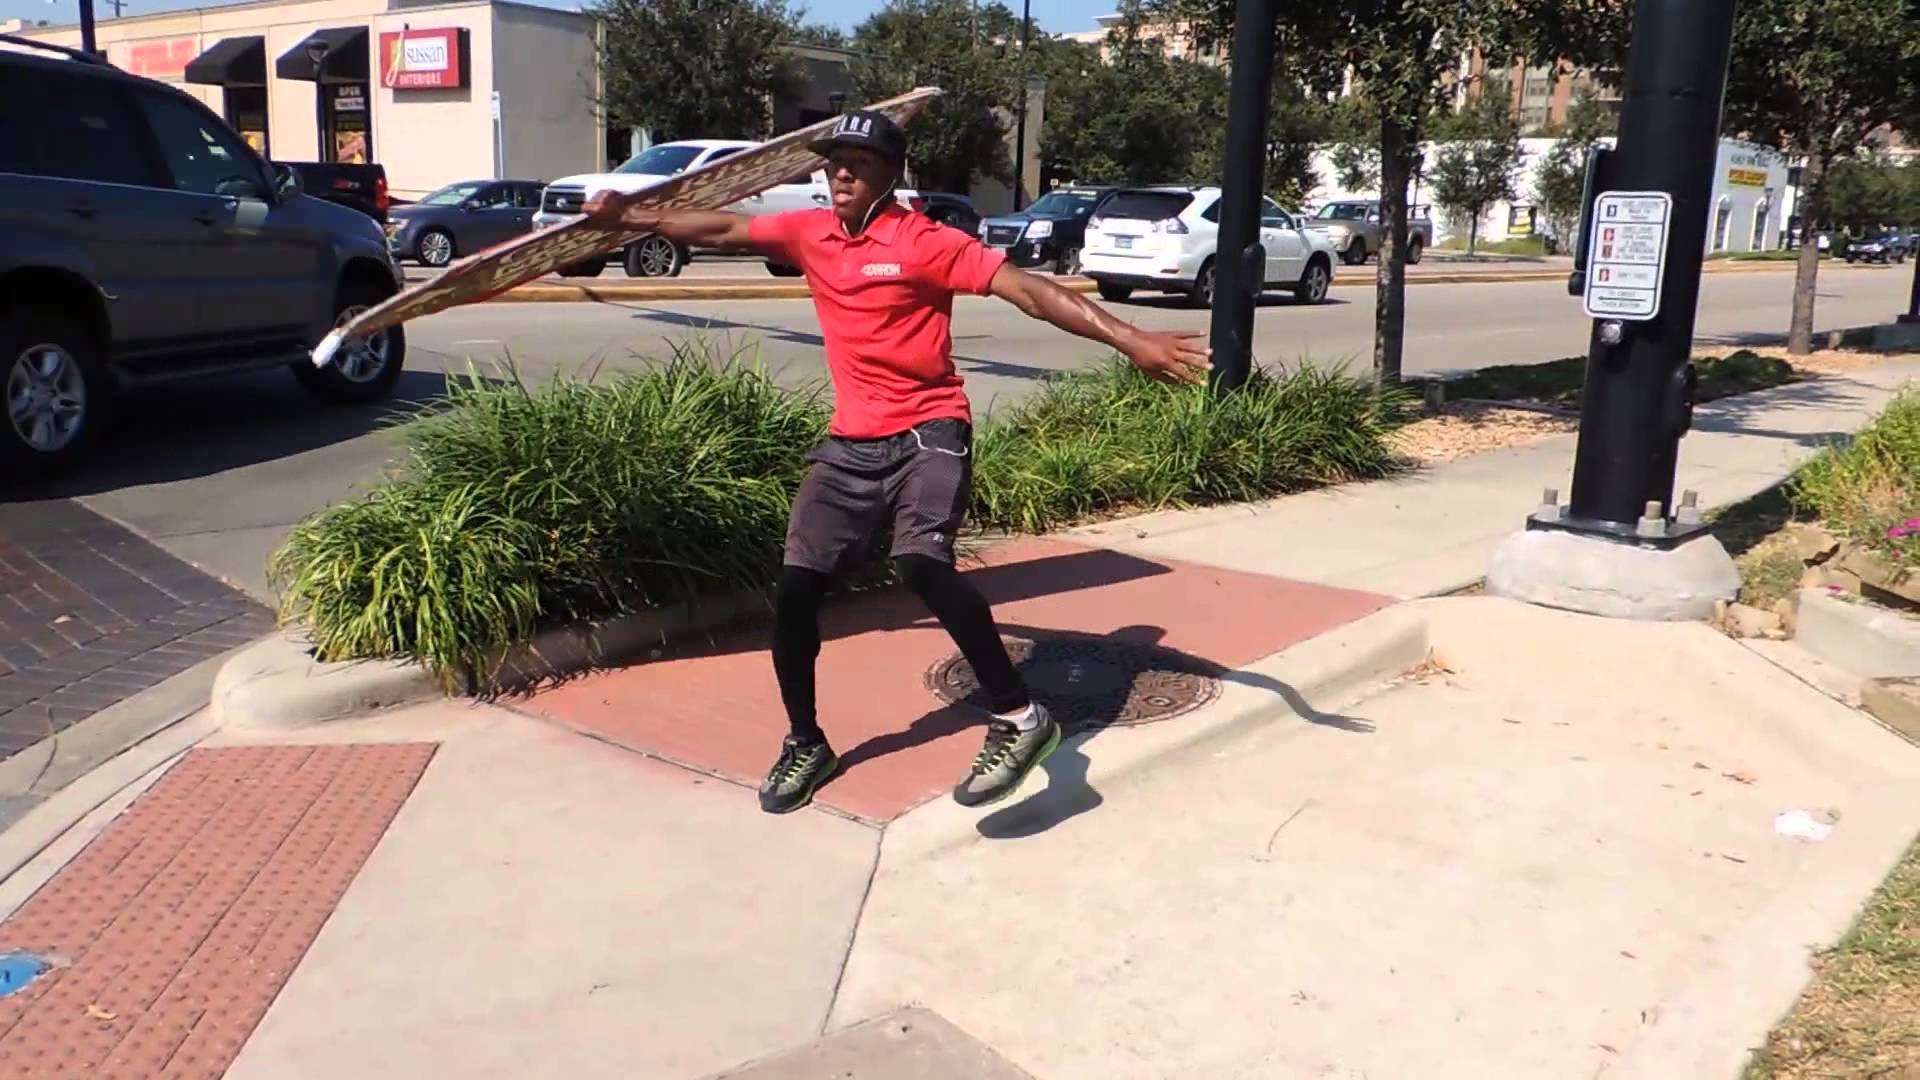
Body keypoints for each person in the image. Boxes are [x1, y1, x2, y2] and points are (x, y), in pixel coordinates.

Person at [585, 110, 1210, 815]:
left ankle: (1019, 715)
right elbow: (721, 228)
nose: (839, 173)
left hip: (929, 430)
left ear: (894, 171)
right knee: (794, 591)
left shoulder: (928, 242)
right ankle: (805, 742)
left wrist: (1131, 339)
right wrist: (632, 216)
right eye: (831, 162)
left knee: (920, 563)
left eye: (857, 162)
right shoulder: (809, 233)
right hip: (851, 440)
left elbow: (1033, 292)